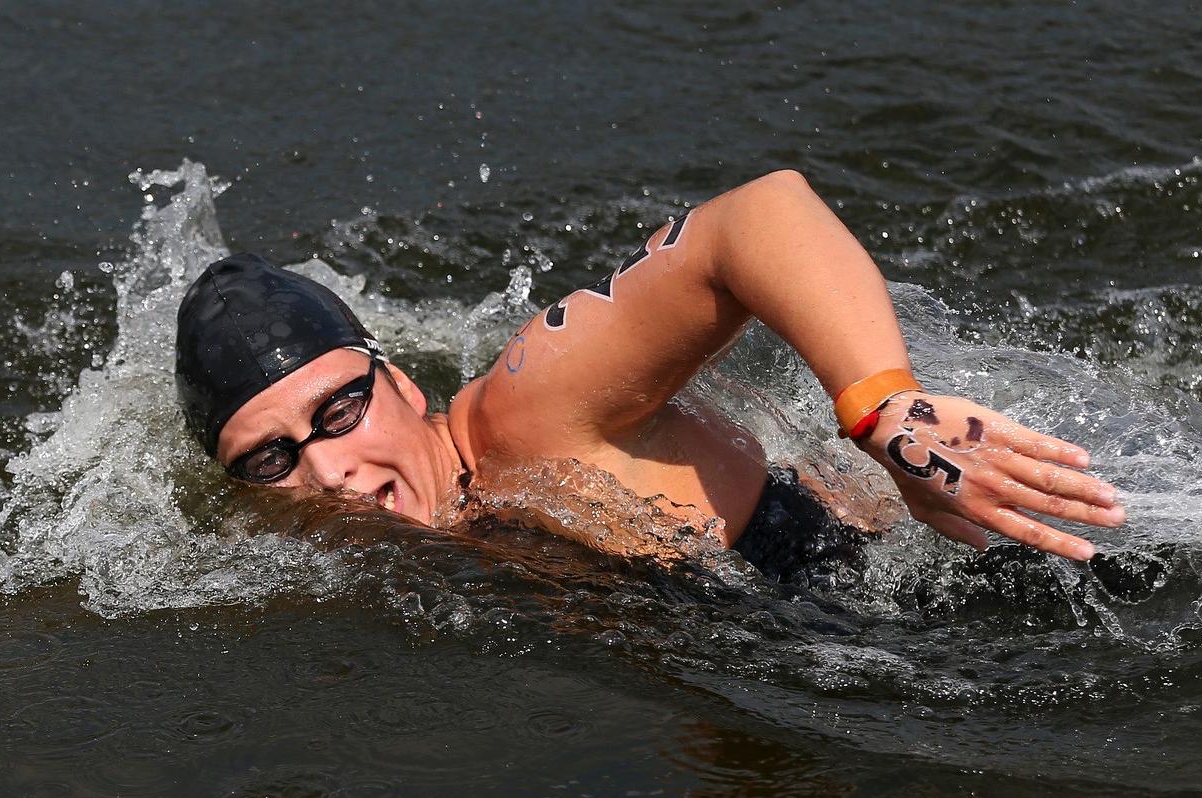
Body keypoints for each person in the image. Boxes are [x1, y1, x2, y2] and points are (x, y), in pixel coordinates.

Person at [175, 170, 1125, 575]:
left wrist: (884, 409)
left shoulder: (526, 411)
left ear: (404, 386)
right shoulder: (395, 543)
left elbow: (757, 218)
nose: (326, 471)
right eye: (269, 461)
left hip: (985, 580)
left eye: (339, 411)